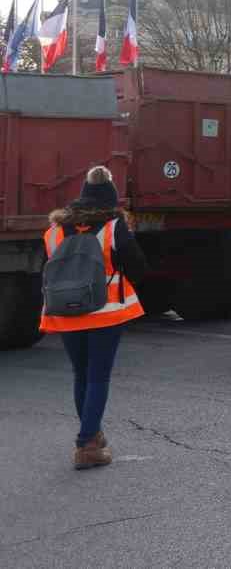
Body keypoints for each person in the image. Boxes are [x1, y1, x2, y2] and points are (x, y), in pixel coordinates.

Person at [39, 166, 149, 470]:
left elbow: (46, 267)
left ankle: (93, 434)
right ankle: (86, 444)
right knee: (98, 377)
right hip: (105, 313)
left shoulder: (55, 230)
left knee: (81, 375)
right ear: (110, 197)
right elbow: (138, 265)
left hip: (65, 313)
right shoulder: (114, 227)